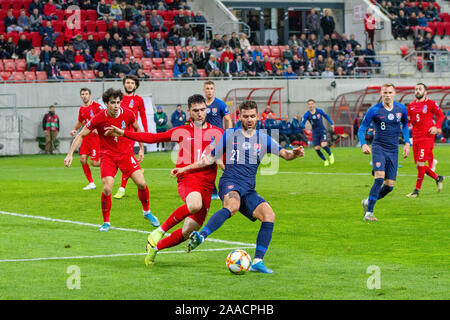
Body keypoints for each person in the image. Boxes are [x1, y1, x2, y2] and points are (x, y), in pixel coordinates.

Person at [173, 100, 304, 274]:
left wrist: (294, 154)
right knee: (232, 206)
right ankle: (201, 236)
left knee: (268, 215)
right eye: (245, 116)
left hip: (248, 189)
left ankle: (257, 261)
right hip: (229, 182)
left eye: (252, 116)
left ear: (257, 117)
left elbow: (285, 155)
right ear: (240, 117)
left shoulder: (264, 138)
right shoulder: (230, 134)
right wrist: (184, 168)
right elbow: (210, 158)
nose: (249, 119)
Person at [104, 94, 224, 265]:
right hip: (187, 178)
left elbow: (224, 157)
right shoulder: (182, 131)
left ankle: (155, 249)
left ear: (207, 110)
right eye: (196, 110)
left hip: (207, 184)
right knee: (194, 204)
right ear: (189, 111)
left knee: (188, 231)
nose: (200, 113)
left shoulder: (218, 133)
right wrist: (122, 132)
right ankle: (159, 231)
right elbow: (153, 138)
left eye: (203, 110)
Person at [64, 88, 159, 231]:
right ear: (106, 103)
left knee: (142, 184)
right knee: (107, 189)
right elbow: (81, 134)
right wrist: (70, 154)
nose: (116, 106)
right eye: (112, 103)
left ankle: (147, 212)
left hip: (126, 154)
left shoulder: (128, 114)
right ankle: (106, 222)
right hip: (108, 156)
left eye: (118, 102)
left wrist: (141, 147)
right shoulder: (99, 118)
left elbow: (137, 129)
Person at [358, 83, 411, 222]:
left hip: (393, 150)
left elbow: (405, 125)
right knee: (379, 177)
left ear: (394, 93)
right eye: (385, 92)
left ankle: (368, 201)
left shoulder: (401, 108)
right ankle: (369, 213)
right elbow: (361, 129)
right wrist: (363, 144)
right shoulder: (374, 110)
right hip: (379, 147)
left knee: (389, 186)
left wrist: (407, 142)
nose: (387, 95)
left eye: (389, 92)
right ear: (381, 93)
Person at [406, 83, 445, 198]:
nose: (417, 91)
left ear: (425, 92)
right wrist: (407, 125)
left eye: (420, 89)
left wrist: (436, 127)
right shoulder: (411, 105)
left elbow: (441, 116)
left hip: (426, 137)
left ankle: (416, 191)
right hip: (415, 138)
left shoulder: (431, 103)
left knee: (421, 163)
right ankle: (438, 178)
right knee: (419, 165)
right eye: (416, 89)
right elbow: (409, 119)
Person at [113, 75, 148, 199]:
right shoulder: (118, 99)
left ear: (135, 85)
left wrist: (146, 132)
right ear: (124, 84)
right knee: (123, 159)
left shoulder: (138, 99)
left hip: (131, 134)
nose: (129, 85)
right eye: (127, 82)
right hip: (117, 132)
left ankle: (122, 188)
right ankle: (137, 168)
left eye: (132, 83)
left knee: (125, 158)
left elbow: (143, 116)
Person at [203, 81, 233, 200]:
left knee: (223, 164)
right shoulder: (201, 105)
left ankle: (230, 186)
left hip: (218, 138)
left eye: (211, 88)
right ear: (204, 90)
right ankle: (214, 191)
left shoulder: (220, 104)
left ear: (214, 90)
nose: (209, 90)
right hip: (204, 139)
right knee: (208, 165)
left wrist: (229, 134)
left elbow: (227, 119)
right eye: (207, 88)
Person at [69, 88, 103, 190]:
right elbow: (80, 122)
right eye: (82, 94)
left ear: (90, 95)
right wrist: (74, 129)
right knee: (83, 159)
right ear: (80, 96)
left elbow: (104, 118)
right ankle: (91, 183)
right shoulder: (82, 109)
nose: (84, 96)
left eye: (86, 94)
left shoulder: (97, 106)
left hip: (95, 138)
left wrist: (98, 128)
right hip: (85, 138)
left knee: (94, 162)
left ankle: (112, 165)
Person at [300, 99, 335, 166]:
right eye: (309, 104)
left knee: (324, 145)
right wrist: (302, 125)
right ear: (308, 105)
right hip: (315, 133)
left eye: (312, 104)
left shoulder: (319, 111)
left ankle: (330, 154)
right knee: (317, 149)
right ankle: (325, 160)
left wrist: (331, 123)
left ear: (314, 104)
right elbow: (303, 122)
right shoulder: (307, 114)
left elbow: (326, 116)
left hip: (322, 131)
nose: (311, 105)